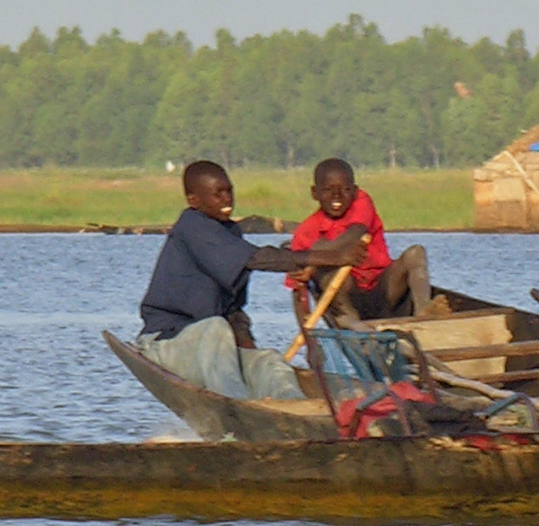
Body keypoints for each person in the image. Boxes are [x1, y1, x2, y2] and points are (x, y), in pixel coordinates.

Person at [135, 161, 367, 400]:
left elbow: (233, 309)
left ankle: (295, 409)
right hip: (167, 343)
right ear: (195, 201)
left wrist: (249, 351)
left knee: (270, 361)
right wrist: (330, 257)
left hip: (213, 348)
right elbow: (257, 258)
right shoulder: (193, 226)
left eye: (229, 191)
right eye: (218, 194)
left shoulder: (230, 233)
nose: (227, 200)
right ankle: (236, 408)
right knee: (215, 327)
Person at [287, 158, 432, 325]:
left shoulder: (361, 202)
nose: (337, 196)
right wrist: (308, 339)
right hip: (347, 298)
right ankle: (353, 325)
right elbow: (297, 289)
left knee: (416, 253)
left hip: (384, 289)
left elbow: (356, 232)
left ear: (355, 191)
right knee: (327, 276)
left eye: (346, 189)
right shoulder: (306, 231)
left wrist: (311, 262)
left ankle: (425, 318)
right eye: (328, 190)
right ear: (315, 193)